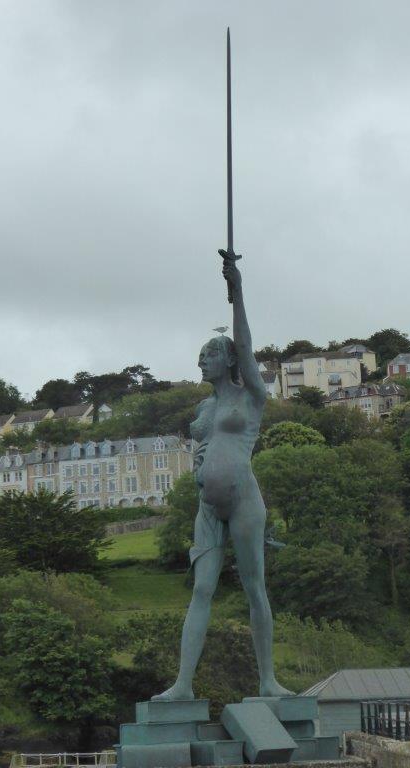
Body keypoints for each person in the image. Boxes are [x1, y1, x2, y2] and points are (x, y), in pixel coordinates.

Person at [152, 251, 291, 701]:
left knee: (255, 588)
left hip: (246, 502)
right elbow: (200, 456)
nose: (201, 362)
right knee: (203, 589)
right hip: (208, 508)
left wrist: (238, 293)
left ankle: (268, 680)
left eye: (208, 355)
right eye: (199, 357)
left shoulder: (248, 396)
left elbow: (247, 347)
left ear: (227, 360)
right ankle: (182, 685)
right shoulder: (204, 409)